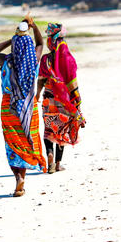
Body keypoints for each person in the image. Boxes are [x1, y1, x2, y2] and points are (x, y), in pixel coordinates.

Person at [0, 17, 46, 197]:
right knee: (27, 142)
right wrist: (33, 26)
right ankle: (23, 177)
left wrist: (13, 37)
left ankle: (18, 179)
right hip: (29, 107)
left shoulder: (6, 61)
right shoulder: (34, 61)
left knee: (12, 144)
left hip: (9, 107)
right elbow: (40, 43)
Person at [37, 23, 86, 173]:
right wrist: (77, 101)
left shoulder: (45, 59)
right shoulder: (68, 59)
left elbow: (40, 80)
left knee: (48, 129)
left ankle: (49, 155)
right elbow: (72, 82)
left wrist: (37, 94)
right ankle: (57, 164)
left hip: (48, 98)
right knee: (62, 129)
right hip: (64, 100)